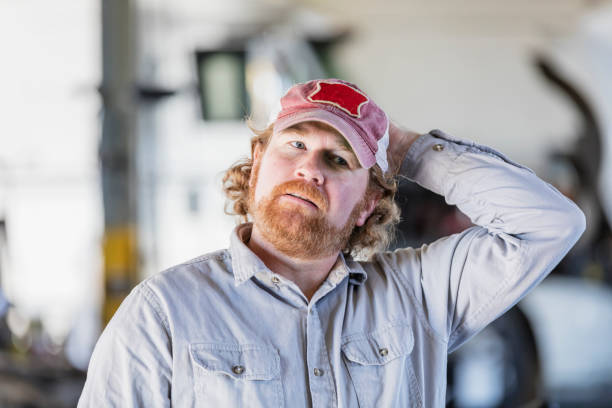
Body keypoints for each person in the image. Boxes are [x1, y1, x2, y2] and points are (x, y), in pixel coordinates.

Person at [78, 78, 585, 407]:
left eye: (339, 160)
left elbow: (550, 223)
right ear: (256, 164)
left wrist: (404, 149)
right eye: (295, 144)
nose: (309, 169)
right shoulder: (163, 314)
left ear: (367, 202)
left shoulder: (419, 296)